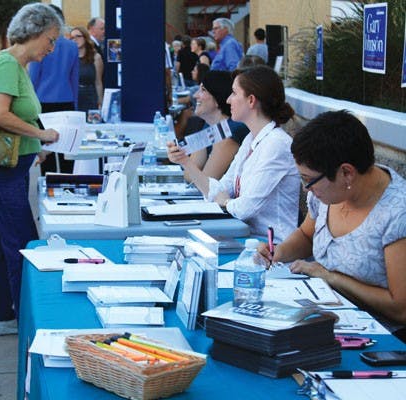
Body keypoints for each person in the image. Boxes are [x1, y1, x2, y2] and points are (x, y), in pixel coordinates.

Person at [258, 110, 406, 339]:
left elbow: (400, 307)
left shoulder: (397, 213)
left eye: (309, 180)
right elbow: (307, 236)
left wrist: (331, 277)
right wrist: (277, 252)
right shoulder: (326, 196)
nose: (306, 189)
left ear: (346, 172)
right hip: (323, 313)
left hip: (379, 337)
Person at [0, 3, 60, 336]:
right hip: (1, 169)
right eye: (50, 40)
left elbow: (16, 115)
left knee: (4, 241)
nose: (51, 49)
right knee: (23, 243)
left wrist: (34, 146)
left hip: (12, 165)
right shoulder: (8, 64)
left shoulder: (17, 65)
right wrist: (41, 135)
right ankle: (30, 322)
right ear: (34, 32)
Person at [167, 65, 300, 241]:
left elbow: (246, 207)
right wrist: (185, 161)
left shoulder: (276, 144)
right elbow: (220, 189)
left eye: (234, 93)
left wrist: (225, 202)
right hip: (248, 240)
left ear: (251, 100)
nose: (228, 100)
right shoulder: (250, 140)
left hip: (272, 248)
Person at [28, 5, 78, 175]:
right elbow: (74, 78)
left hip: (43, 101)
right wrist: (75, 106)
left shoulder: (41, 44)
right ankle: (67, 188)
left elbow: (33, 76)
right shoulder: (72, 46)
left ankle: (48, 190)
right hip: (67, 100)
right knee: (66, 152)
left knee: (46, 152)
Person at [174, 70, 249, 182]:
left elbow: (207, 184)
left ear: (217, 97)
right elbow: (188, 176)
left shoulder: (231, 132)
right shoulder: (208, 126)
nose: (195, 95)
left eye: (203, 90)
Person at [69, 26, 103, 113]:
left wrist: (100, 102)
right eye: (72, 37)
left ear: (85, 37)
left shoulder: (96, 57)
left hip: (90, 97)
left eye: (78, 36)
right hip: (73, 97)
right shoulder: (69, 58)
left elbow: (98, 82)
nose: (75, 39)